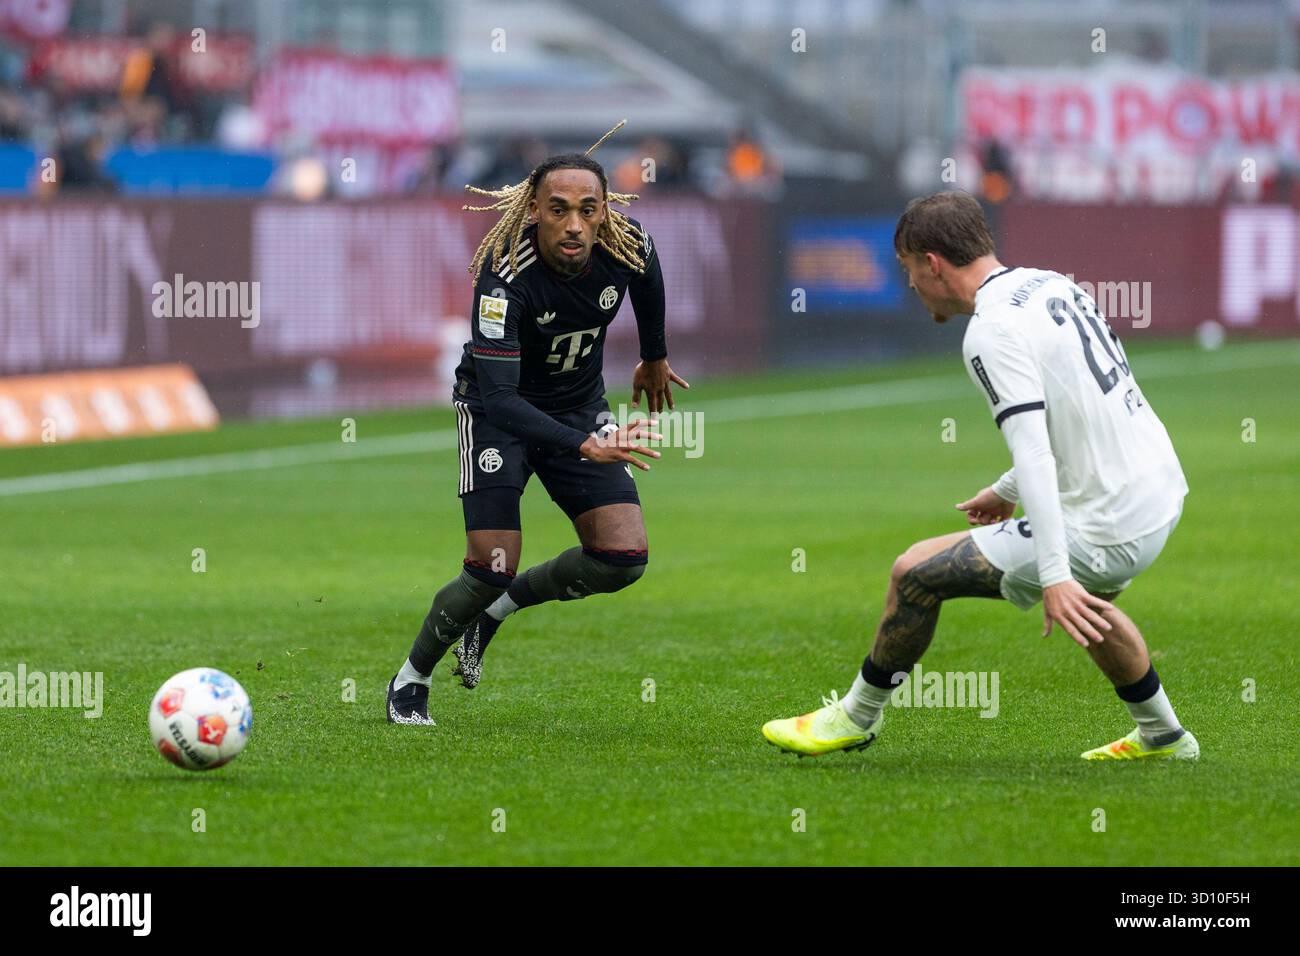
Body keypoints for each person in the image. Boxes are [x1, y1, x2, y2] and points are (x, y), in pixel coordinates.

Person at [762, 191, 1196, 761]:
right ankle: (1164, 736)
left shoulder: (990, 332)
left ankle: (853, 717)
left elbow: (1037, 450)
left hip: (1107, 521)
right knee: (1094, 604)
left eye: (909, 269)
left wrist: (1056, 573)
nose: (912, 284)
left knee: (913, 572)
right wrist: (1005, 490)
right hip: (1159, 494)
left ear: (933, 263)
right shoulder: (1051, 284)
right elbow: (1084, 411)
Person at [387, 123, 688, 725]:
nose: (574, 225)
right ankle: (411, 679)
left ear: (604, 213)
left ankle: (499, 611)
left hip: (578, 406)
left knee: (622, 558)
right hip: (497, 414)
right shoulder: (504, 274)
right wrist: (584, 444)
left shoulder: (625, 246)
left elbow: (650, 276)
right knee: (492, 564)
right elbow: (500, 400)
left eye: (587, 210)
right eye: (558, 210)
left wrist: (653, 355)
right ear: (533, 211)